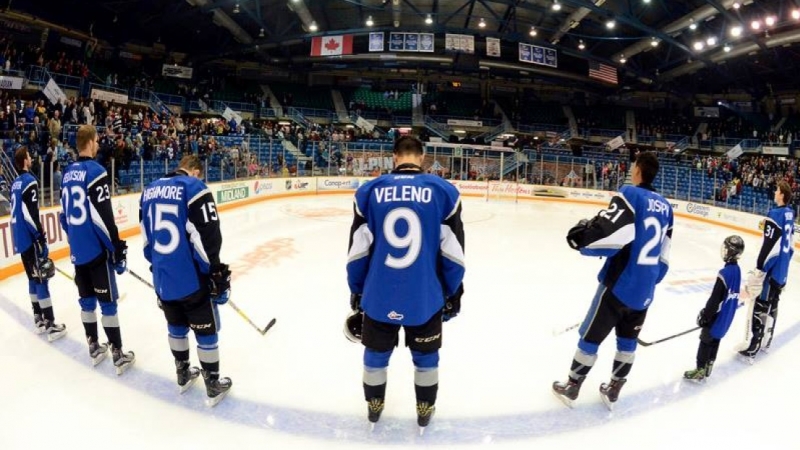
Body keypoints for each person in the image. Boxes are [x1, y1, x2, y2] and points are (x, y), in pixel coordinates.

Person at [345, 135, 465, 430]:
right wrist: (453, 291)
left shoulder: (369, 192)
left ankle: (374, 406)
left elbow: (357, 251)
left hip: (378, 293)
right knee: (426, 356)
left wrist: (357, 290)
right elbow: (453, 252)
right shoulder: (444, 192)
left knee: (375, 354)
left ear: (394, 157)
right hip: (426, 296)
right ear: (422, 157)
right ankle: (425, 408)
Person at [553, 151, 673, 410]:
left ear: (639, 169)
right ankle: (614, 388)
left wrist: (582, 241)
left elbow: (613, 234)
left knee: (590, 336)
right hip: (645, 291)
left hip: (619, 284)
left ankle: (573, 385)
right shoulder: (666, 208)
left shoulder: (630, 194)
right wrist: (651, 281)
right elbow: (664, 254)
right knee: (628, 342)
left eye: (633, 165)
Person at [139, 155, 233, 406]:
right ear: (194, 171)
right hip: (191, 279)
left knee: (176, 325)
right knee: (206, 330)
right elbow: (207, 237)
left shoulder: (148, 192)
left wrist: (159, 265)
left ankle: (182, 374)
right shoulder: (193, 188)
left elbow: (147, 242)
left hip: (163, 278)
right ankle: (212, 383)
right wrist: (214, 272)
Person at [60, 124, 134, 374]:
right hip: (96, 251)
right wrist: (116, 248)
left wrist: (74, 239)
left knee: (86, 301)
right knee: (108, 303)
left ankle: (93, 346)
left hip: (77, 251)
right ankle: (117, 353)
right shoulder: (97, 172)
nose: (99, 144)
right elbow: (104, 216)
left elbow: (63, 216)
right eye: (98, 140)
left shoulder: (67, 173)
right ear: (90, 142)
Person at [10, 147, 67, 341]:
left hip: (19, 238)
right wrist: (39, 237)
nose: (31, 158)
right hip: (30, 237)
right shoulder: (29, 182)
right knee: (41, 277)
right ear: (25, 162)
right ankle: (50, 324)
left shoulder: (15, 183)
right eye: (29, 157)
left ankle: (38, 318)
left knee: (32, 278)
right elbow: (30, 214)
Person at [739, 181, 794, 361]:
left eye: (777, 190)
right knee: (774, 304)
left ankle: (753, 346)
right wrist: (784, 266)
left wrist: (760, 268)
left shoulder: (775, 214)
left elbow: (770, 247)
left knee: (761, 304)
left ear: (782, 195)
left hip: (772, 270)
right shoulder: (790, 214)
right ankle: (767, 341)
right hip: (782, 270)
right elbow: (790, 247)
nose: (775, 192)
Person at [684, 235, 744, 382]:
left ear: (732, 252)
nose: (724, 252)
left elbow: (715, 299)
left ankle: (700, 369)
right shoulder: (737, 270)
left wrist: (706, 315)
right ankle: (709, 365)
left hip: (716, 317)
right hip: (726, 316)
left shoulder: (724, 273)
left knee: (705, 340)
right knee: (716, 339)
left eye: (727, 249)